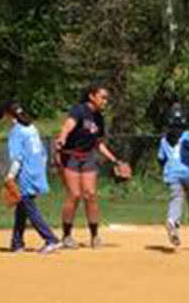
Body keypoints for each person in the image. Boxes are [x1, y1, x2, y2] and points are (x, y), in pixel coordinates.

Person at [53, 84, 131, 248]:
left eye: (106, 98)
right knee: (74, 195)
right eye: (103, 97)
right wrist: (62, 137)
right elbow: (68, 125)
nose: (105, 101)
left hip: (87, 156)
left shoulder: (99, 118)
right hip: (70, 155)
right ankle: (66, 236)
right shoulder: (79, 110)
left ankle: (95, 236)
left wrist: (114, 160)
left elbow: (98, 143)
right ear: (92, 96)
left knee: (90, 194)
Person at [3, 103, 61, 254]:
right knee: (21, 207)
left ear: (9, 116)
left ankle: (50, 239)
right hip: (37, 170)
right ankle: (17, 243)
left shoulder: (17, 131)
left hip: (26, 173)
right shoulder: (32, 128)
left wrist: (10, 176)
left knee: (28, 206)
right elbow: (42, 153)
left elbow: (17, 158)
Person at [157, 107, 189, 248]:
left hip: (171, 174)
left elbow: (161, 158)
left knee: (176, 198)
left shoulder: (164, 139)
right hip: (188, 173)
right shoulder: (188, 135)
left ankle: (173, 220)